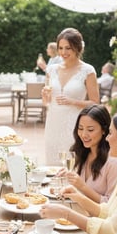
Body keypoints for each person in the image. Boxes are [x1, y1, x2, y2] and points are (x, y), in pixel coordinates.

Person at [42, 27, 100, 165]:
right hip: (53, 124)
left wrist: (73, 101)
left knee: (73, 165)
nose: (63, 52)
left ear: (77, 47)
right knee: (52, 165)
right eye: (60, 48)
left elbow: (95, 102)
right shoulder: (51, 70)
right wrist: (45, 96)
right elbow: (47, 103)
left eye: (68, 48)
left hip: (74, 125)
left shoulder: (88, 70)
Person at [59, 104, 117, 203]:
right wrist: (71, 175)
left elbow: (110, 205)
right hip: (79, 210)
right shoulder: (83, 152)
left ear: (104, 130)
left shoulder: (113, 161)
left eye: (90, 130)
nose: (84, 135)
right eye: (80, 128)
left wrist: (82, 186)